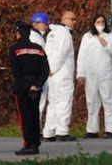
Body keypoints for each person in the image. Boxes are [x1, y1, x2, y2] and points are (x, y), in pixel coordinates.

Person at [76, 13, 112, 139]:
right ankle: (92, 129)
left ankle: (110, 130)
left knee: (108, 100)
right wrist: (81, 74)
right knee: (91, 102)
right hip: (90, 74)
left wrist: (107, 45)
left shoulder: (110, 36)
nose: (100, 24)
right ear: (93, 23)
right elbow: (82, 56)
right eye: (98, 22)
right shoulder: (87, 37)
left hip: (105, 73)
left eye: (102, 22)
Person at [9, 20, 49, 156]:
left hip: (22, 88)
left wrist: (27, 86)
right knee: (34, 114)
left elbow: (16, 72)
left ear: (18, 33)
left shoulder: (15, 49)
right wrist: (37, 85)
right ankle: (36, 142)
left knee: (25, 116)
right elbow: (45, 69)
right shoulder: (38, 49)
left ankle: (28, 143)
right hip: (36, 87)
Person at [43, 11, 77, 141]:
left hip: (52, 76)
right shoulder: (64, 33)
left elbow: (48, 53)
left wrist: (48, 69)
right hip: (62, 73)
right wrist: (54, 68)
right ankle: (62, 131)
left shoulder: (52, 33)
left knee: (52, 103)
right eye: (72, 19)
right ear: (65, 19)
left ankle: (49, 131)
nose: (74, 22)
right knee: (63, 101)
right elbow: (61, 54)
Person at [29, 12, 51, 121]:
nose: (46, 27)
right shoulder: (34, 38)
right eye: (44, 24)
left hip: (37, 74)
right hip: (38, 75)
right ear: (37, 24)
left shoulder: (37, 37)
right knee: (38, 103)